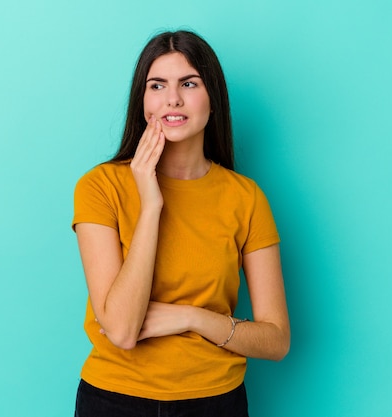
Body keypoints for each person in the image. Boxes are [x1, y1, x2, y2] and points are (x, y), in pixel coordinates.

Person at [72, 30, 290, 417]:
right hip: (114, 400)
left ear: (214, 101)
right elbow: (121, 331)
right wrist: (151, 203)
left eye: (189, 83)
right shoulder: (100, 187)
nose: (172, 98)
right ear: (143, 101)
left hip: (216, 402)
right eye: (158, 85)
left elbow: (276, 340)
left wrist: (191, 317)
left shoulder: (246, 197)